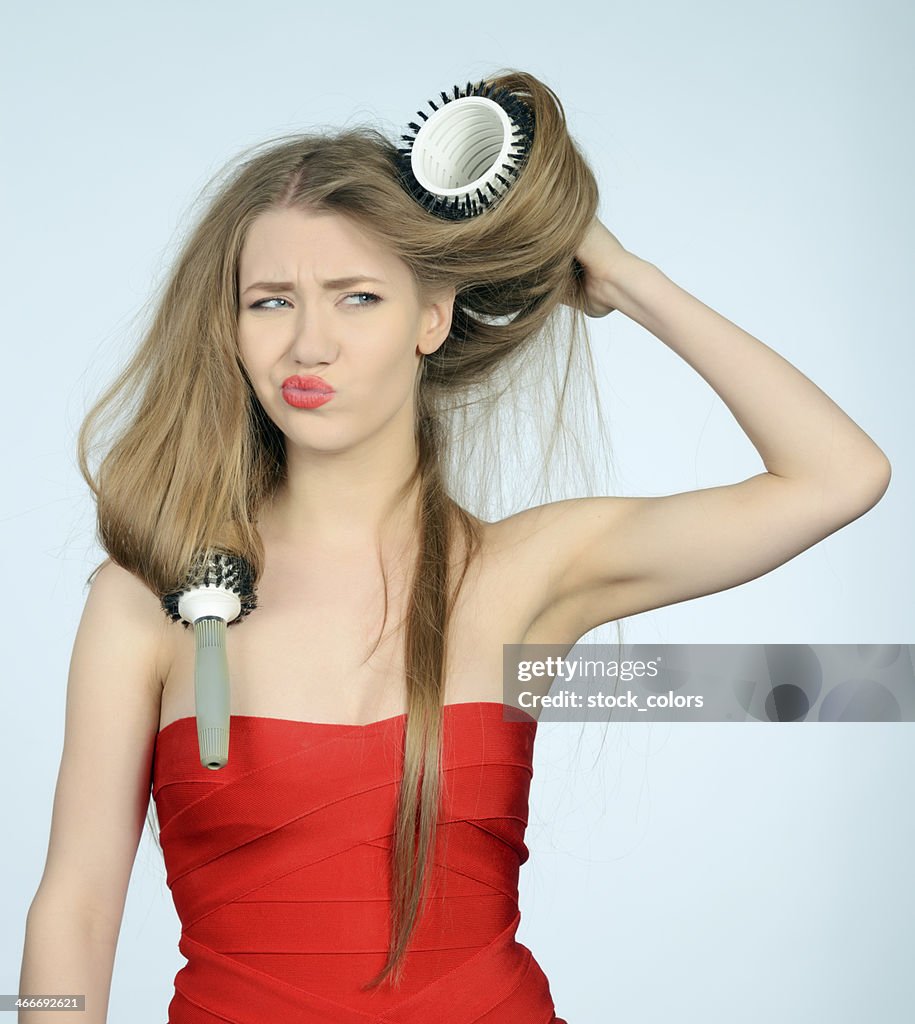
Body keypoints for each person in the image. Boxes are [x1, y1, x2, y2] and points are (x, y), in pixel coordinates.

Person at [18, 69, 890, 1023]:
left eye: (356, 297)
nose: (308, 344)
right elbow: (78, 901)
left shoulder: (529, 576)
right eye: (270, 301)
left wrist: (622, 275)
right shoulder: (144, 596)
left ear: (431, 316)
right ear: (229, 330)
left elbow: (837, 475)